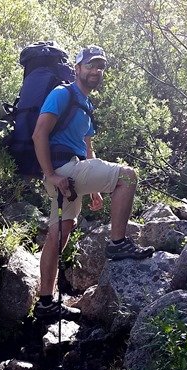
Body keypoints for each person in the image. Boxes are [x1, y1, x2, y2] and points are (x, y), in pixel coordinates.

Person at [32, 45, 154, 321]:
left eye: (99, 67)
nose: (95, 71)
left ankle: (45, 302)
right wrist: (51, 174)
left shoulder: (85, 104)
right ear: (77, 69)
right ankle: (118, 242)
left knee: (59, 233)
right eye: (90, 66)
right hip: (62, 170)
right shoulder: (62, 94)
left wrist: (95, 190)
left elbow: (87, 149)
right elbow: (39, 134)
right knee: (127, 176)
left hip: (71, 174)